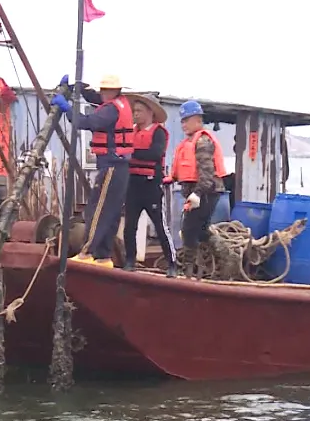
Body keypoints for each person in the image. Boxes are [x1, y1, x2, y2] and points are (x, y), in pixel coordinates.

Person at [52, 75, 133, 268]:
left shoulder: (111, 110)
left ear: (115, 91)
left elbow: (86, 122)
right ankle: (103, 257)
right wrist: (80, 89)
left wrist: (67, 108)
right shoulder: (119, 104)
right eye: (101, 90)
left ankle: (86, 252)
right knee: (110, 213)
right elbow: (96, 99)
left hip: (111, 165)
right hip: (119, 166)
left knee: (97, 210)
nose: (102, 93)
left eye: (106, 90)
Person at [170, 100, 227, 277]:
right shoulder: (187, 143)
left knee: (189, 230)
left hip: (206, 192)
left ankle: (188, 271)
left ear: (198, 120)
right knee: (200, 230)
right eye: (182, 121)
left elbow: (207, 173)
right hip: (199, 192)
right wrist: (171, 179)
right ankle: (227, 257)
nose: (184, 124)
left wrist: (197, 194)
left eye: (187, 120)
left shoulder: (202, 142)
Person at [124, 95, 177, 276]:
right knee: (130, 226)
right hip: (133, 184)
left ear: (150, 112)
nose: (135, 114)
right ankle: (129, 261)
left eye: (139, 111)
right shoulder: (131, 132)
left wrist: (130, 154)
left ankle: (172, 264)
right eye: (134, 111)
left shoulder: (158, 132)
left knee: (160, 226)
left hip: (151, 185)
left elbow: (155, 153)